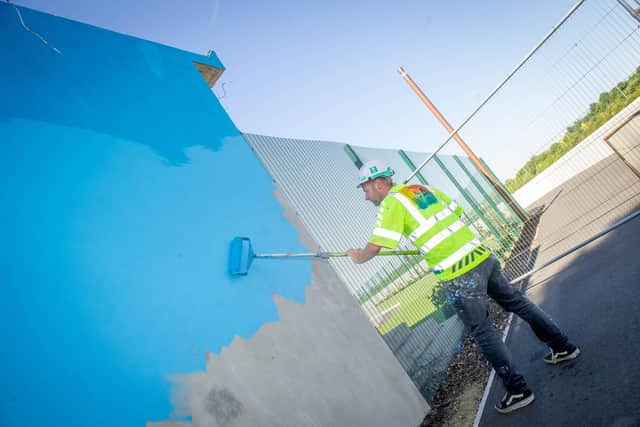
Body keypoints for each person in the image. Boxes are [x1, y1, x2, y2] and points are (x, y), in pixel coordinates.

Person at [347, 160, 580, 414]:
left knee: (483, 331)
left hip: (458, 272)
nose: (366, 197)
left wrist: (358, 257)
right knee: (518, 303)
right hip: (481, 256)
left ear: (379, 183)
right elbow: (454, 212)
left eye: (366, 189)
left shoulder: (391, 202)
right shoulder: (420, 187)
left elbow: (376, 244)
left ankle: (518, 390)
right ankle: (563, 346)